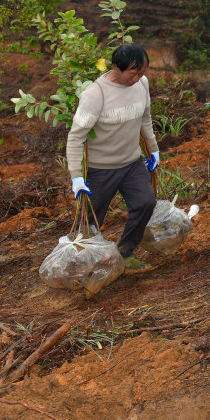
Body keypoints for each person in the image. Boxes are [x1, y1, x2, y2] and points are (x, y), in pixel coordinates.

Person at [66, 43, 160, 273]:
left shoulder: (142, 85)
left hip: (132, 163)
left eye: (142, 73)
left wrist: (154, 150)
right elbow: (75, 137)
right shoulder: (95, 95)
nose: (138, 78)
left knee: (145, 202)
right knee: (89, 219)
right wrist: (77, 177)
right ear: (116, 68)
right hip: (101, 169)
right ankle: (81, 263)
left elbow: (145, 119)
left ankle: (126, 252)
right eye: (133, 73)